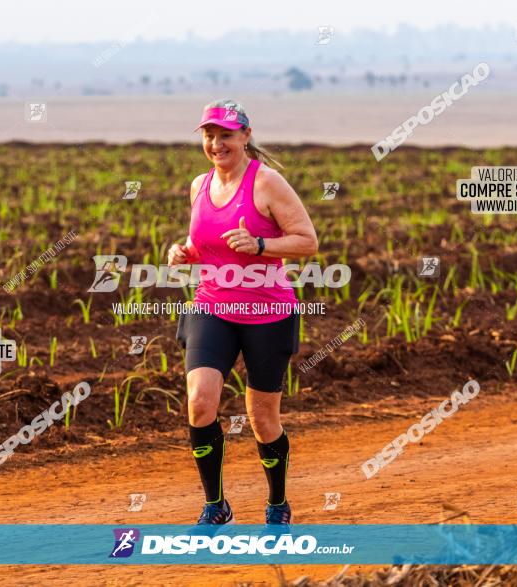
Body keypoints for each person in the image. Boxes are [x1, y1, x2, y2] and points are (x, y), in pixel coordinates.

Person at [169, 99, 318, 527]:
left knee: (263, 417)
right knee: (200, 402)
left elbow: (307, 241)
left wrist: (260, 246)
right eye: (209, 135)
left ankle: (277, 504)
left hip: (266, 310)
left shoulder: (268, 183)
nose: (217, 143)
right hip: (212, 305)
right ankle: (216, 506)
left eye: (226, 135)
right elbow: (209, 244)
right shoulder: (199, 186)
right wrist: (184, 252)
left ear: (246, 137)